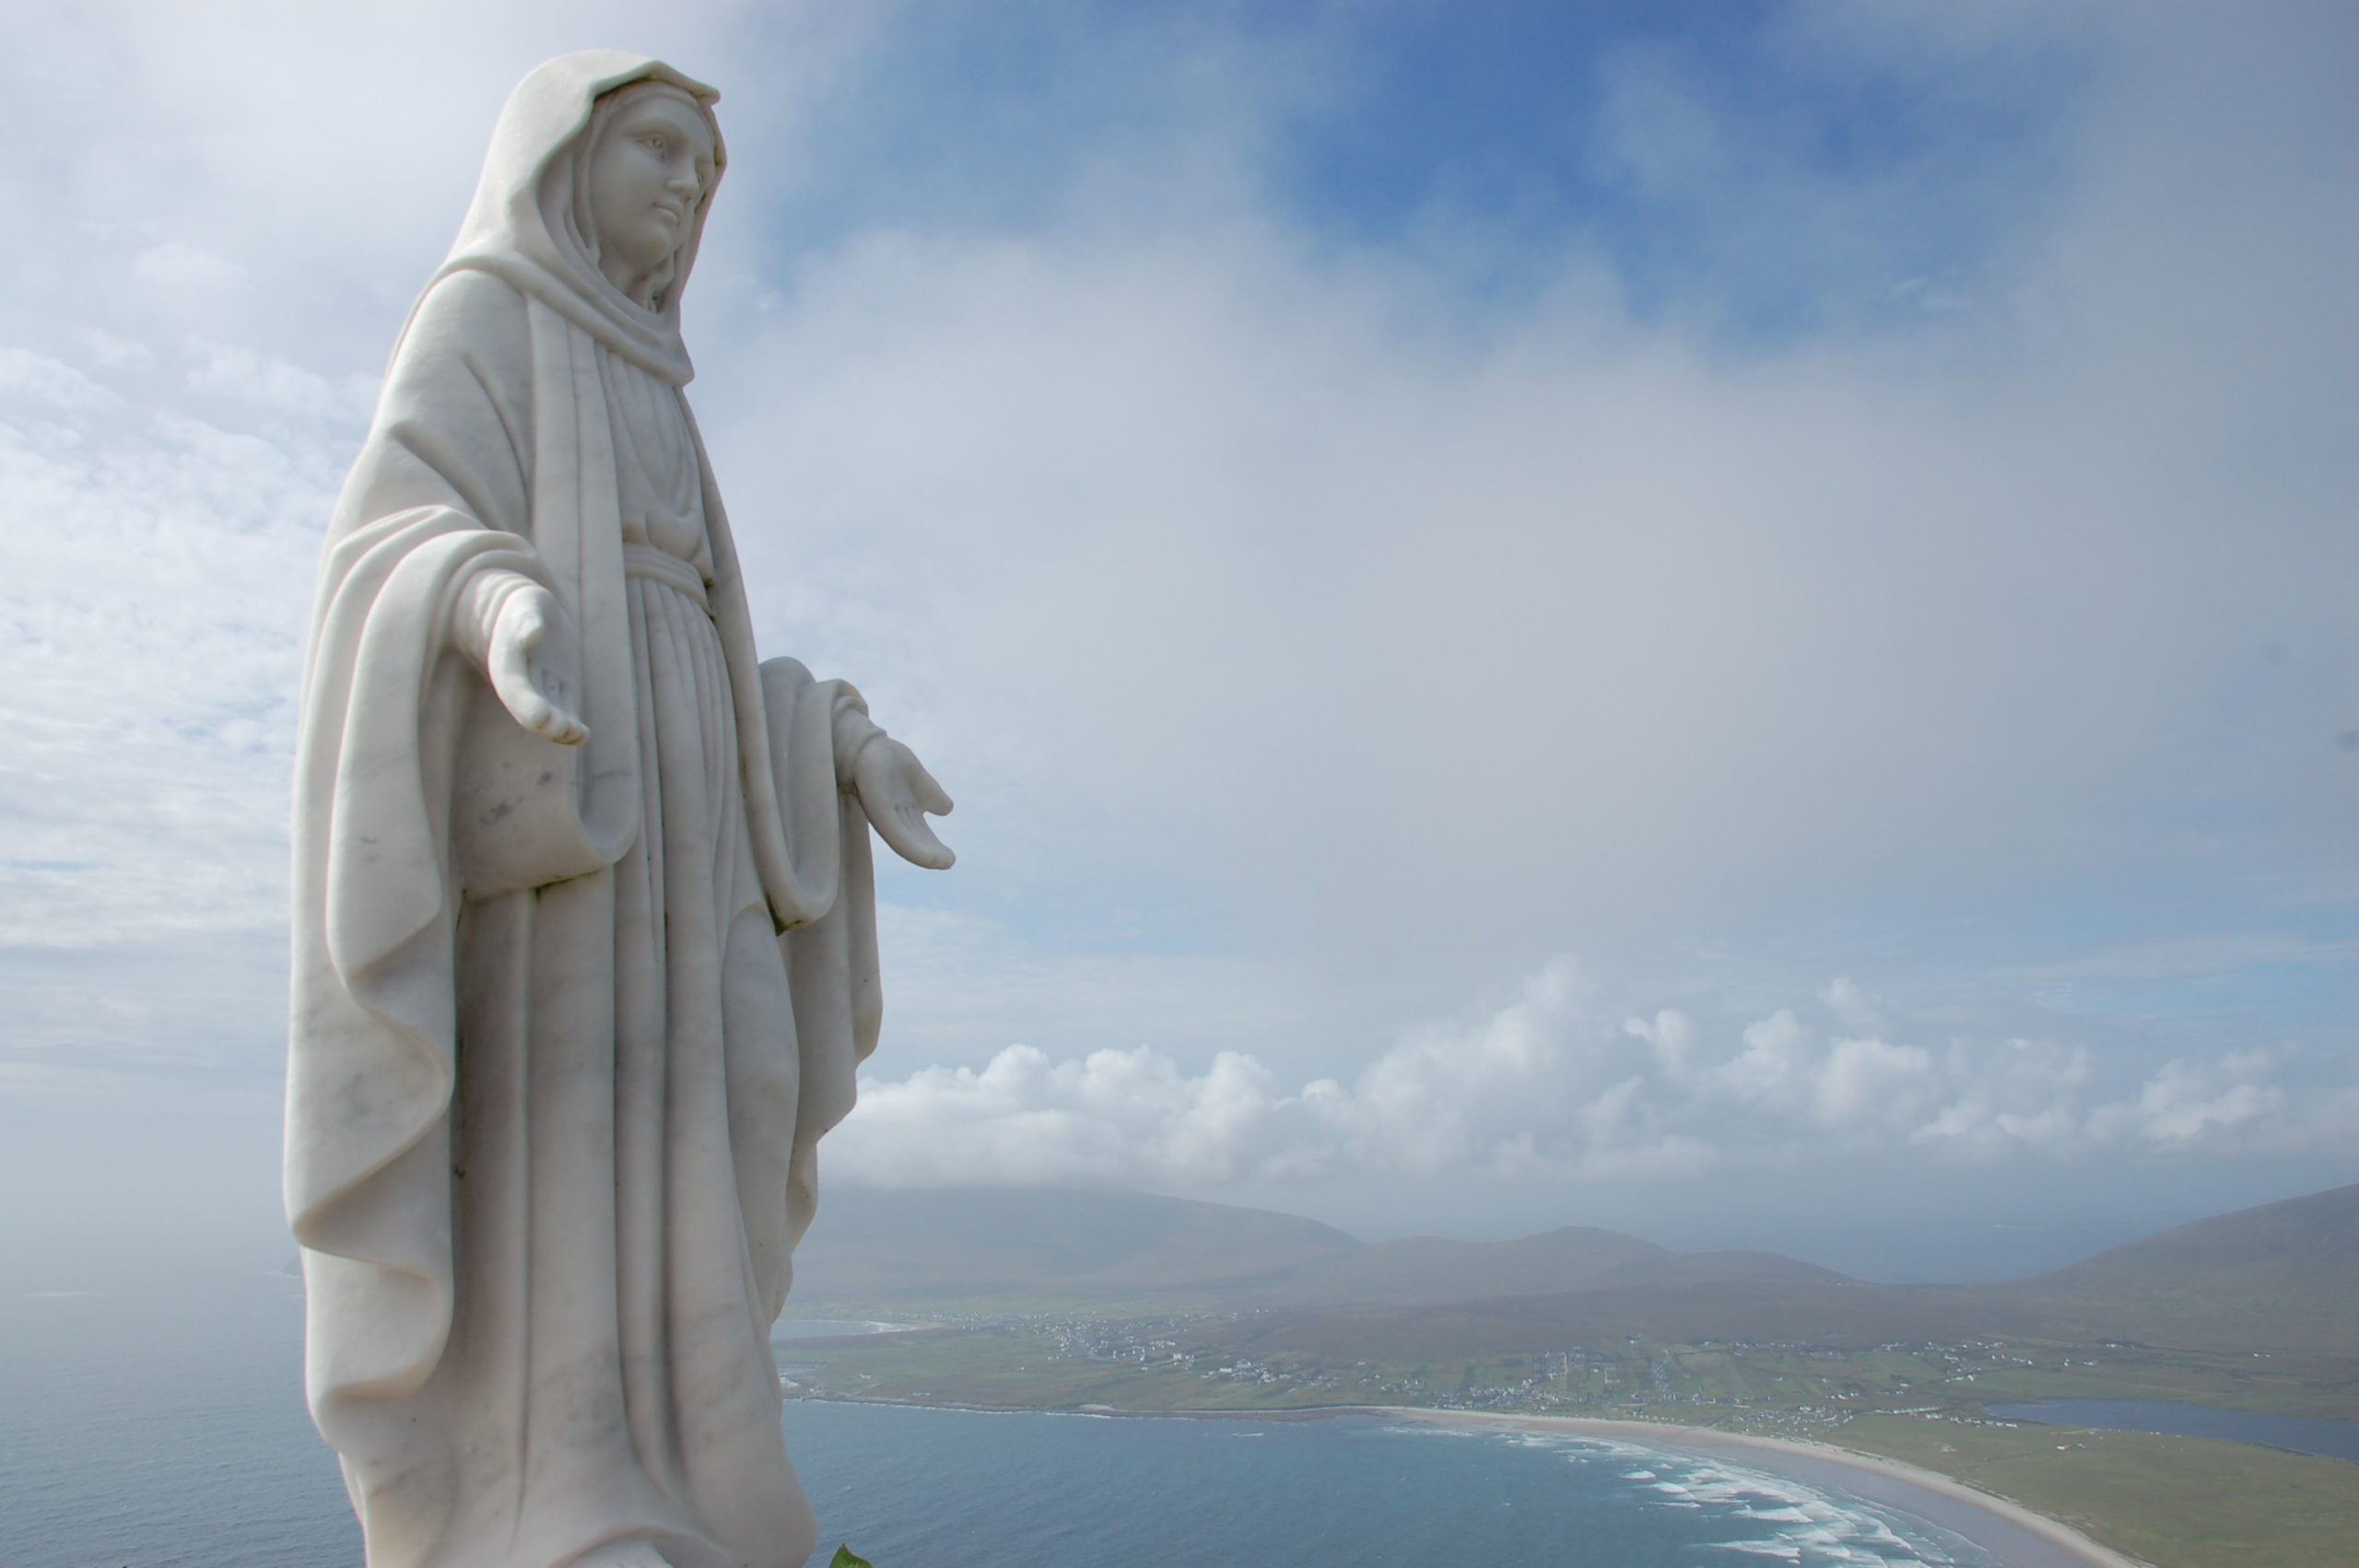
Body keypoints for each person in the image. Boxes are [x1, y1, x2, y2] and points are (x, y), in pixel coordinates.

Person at [285, 51, 953, 1568]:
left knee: (716, 1101)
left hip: (692, 794)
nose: (685, 189)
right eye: (659, 149)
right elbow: (392, 539)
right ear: (560, 154)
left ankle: (696, 1474)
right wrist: (491, 602)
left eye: (706, 177)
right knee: (559, 1140)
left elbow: (712, 631)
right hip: (561, 780)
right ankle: (558, 1502)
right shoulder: (484, 319)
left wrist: (832, 735)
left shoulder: (654, 382)